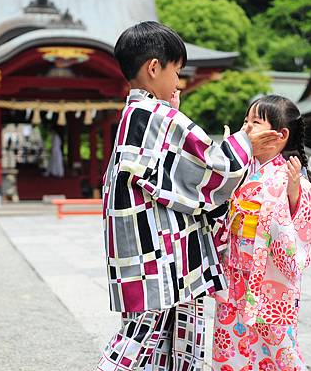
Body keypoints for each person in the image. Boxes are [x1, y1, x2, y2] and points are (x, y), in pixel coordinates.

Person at [97, 21, 281, 371]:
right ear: (154, 68)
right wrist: (246, 143)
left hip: (149, 254)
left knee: (164, 338)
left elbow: (174, 175)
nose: (179, 82)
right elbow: (211, 168)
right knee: (141, 339)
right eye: (176, 71)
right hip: (160, 259)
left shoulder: (134, 117)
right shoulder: (157, 117)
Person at [212, 95, 311, 371]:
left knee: (276, 347)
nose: (247, 128)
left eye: (256, 122)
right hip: (236, 272)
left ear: (281, 135)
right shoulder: (241, 170)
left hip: (268, 279)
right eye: (245, 121)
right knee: (232, 343)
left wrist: (294, 192)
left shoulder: (288, 174)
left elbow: (307, 219)